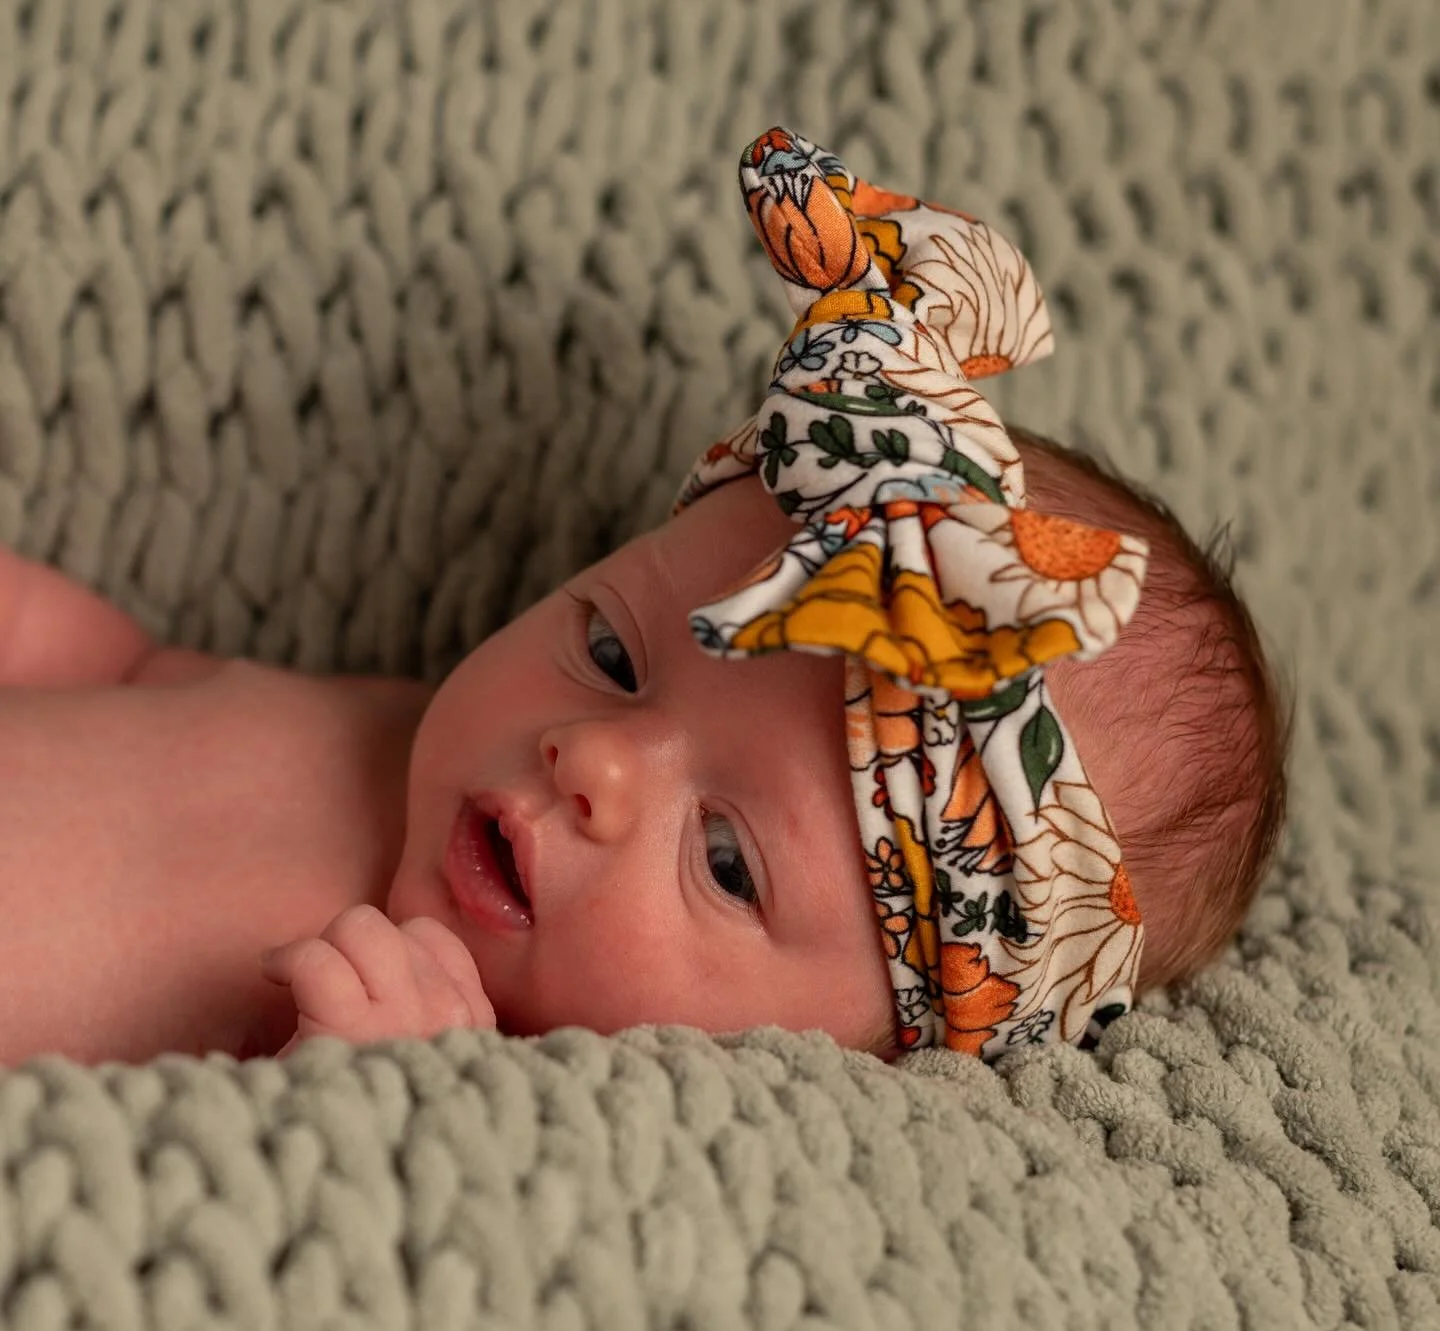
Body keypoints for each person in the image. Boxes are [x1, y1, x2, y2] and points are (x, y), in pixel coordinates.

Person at [0, 130, 1292, 1069]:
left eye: (728, 861)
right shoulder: (386, 729)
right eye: (613, 651)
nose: (596, 763)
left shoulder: (453, 1038)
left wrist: (381, 1087)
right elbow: (131, 668)